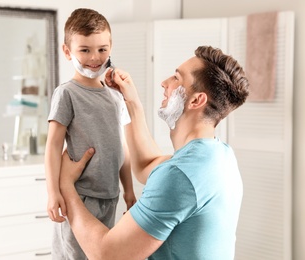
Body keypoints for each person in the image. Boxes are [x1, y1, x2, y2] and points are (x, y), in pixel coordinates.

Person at [59, 45, 250, 259]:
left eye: (176, 78)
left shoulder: (179, 176)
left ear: (197, 100)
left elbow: (107, 254)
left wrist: (66, 186)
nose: (165, 83)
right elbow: (145, 165)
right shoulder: (220, 155)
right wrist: (130, 101)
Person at [45, 8, 137, 259]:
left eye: (102, 49)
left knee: (102, 255)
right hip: (79, 196)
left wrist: (128, 190)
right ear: (67, 52)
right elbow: (53, 146)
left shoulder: (115, 94)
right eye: (84, 50)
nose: (95, 57)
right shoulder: (67, 94)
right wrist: (53, 192)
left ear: (111, 46)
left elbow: (122, 147)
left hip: (111, 196)